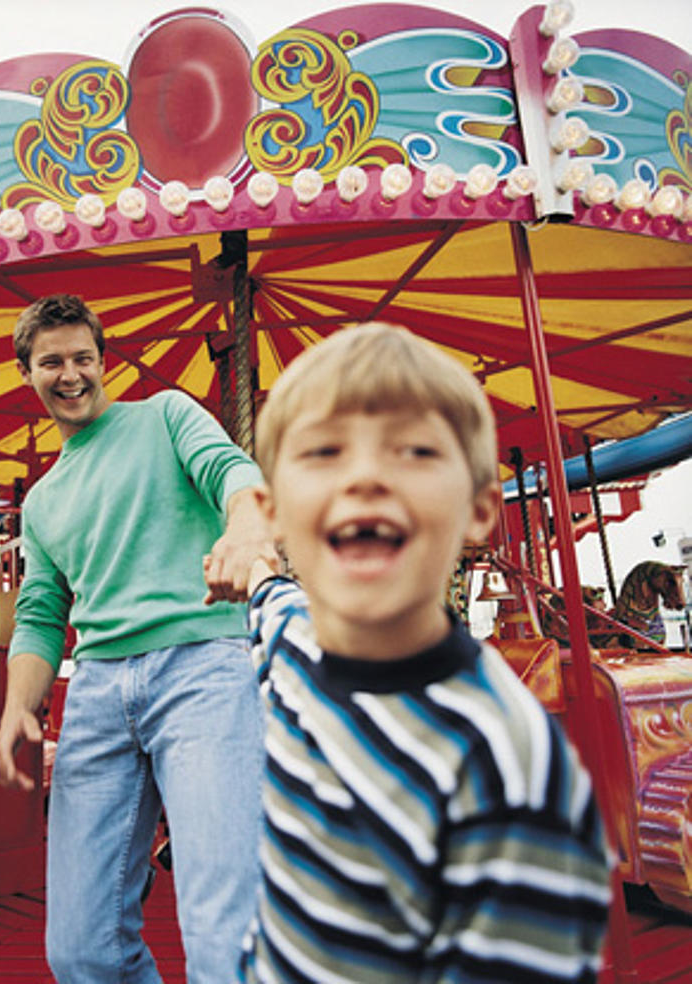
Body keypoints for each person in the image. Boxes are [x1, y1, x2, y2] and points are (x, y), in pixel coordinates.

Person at [238, 323, 613, 983]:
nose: (364, 476)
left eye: (412, 450)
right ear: (270, 510)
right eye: (323, 451)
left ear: (477, 510)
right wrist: (251, 567)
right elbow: (268, 596)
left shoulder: (506, 769)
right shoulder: (288, 645)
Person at [0, 293, 274, 984]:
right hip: (94, 692)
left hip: (202, 670)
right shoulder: (42, 500)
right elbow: (40, 611)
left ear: (102, 362)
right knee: (80, 949)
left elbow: (230, 471)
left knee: (222, 930)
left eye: (82, 358)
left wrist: (244, 526)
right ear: (27, 373)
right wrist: (16, 708)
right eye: (51, 361)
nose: (70, 374)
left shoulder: (165, 415)